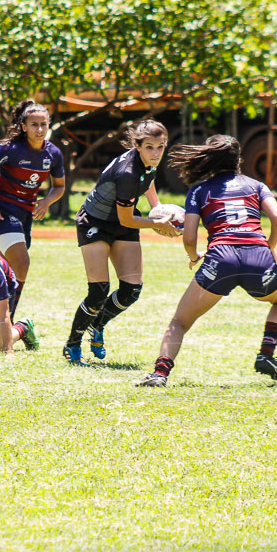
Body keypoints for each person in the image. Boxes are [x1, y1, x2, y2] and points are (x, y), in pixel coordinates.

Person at [137, 134, 277, 387]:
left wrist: (193, 256)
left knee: (180, 321)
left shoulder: (199, 190)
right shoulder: (256, 185)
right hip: (258, 256)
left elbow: (189, 238)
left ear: (208, 158)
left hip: (220, 260)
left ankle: (160, 373)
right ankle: (266, 354)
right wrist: (270, 247)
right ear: (238, 160)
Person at [62, 119, 180, 366]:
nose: (156, 152)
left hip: (123, 222)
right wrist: (159, 224)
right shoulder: (127, 173)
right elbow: (127, 219)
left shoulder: (148, 161)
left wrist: (156, 207)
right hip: (95, 222)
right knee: (98, 292)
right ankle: (73, 343)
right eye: (150, 147)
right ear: (137, 145)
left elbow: (147, 180)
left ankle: (98, 324)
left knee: (131, 291)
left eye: (160, 146)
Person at [0, 99, 64, 313]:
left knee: (0, 270)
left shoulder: (54, 154)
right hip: (4, 211)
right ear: (24, 126)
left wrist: (47, 201)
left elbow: (59, 187)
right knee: (21, 264)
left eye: (43, 124)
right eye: (34, 124)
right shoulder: (10, 149)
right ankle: (6, 318)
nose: (39, 129)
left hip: (26, 214)